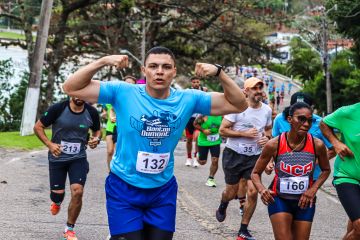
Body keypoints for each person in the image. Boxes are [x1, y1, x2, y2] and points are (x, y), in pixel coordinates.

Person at [62, 46, 248, 240]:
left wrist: (219, 73)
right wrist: (103, 61)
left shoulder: (188, 99)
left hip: (162, 190)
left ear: (174, 72)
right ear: (144, 70)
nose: (159, 71)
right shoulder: (123, 92)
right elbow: (71, 87)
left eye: (166, 67)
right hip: (124, 187)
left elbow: (239, 104)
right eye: (153, 66)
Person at [251, 102, 330, 240]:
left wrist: (313, 189)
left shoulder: (317, 145)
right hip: (279, 199)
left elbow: (326, 170)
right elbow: (255, 173)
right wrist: (262, 190)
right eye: (301, 119)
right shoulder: (274, 144)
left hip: (305, 201)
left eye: (309, 121)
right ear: (289, 119)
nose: (306, 124)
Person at [33, 97, 101, 240]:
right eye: (75, 93)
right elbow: (38, 127)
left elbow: (97, 131)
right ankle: (57, 202)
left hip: (79, 158)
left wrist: (96, 139)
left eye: (82, 93)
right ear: (70, 93)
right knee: (57, 194)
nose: (78, 96)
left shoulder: (92, 112)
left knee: (78, 191)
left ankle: (69, 229)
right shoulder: (57, 108)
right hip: (57, 157)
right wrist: (50, 145)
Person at [215, 77, 272, 240]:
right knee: (231, 192)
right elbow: (222, 130)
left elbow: (268, 130)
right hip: (233, 154)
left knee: (253, 192)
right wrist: (243, 134)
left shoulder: (267, 110)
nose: (259, 91)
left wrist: (266, 138)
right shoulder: (237, 109)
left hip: (254, 156)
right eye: (255, 88)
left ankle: (243, 229)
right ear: (246, 91)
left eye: (261, 88)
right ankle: (224, 203)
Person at [269, 92, 335, 176]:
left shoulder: (321, 123)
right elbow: (273, 144)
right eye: (296, 110)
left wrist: (311, 163)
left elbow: (332, 150)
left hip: (312, 177)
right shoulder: (280, 119)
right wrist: (269, 163)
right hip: (284, 175)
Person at [320, 102, 360, 240]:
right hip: (348, 176)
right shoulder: (348, 112)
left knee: (355, 229)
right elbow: (323, 123)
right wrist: (336, 143)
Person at [193, 114, 222, 187]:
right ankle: (197, 156)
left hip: (216, 141)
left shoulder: (222, 115)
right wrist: (203, 130)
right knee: (202, 162)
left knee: (215, 160)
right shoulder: (204, 114)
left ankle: (211, 178)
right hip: (203, 141)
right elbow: (195, 124)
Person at [184, 76, 208, 167]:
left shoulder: (204, 90)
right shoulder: (188, 92)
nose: (196, 84)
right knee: (189, 139)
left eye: (197, 82)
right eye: (194, 82)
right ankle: (189, 158)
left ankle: (195, 158)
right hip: (190, 118)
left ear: (200, 82)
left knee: (198, 139)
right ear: (191, 83)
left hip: (200, 118)